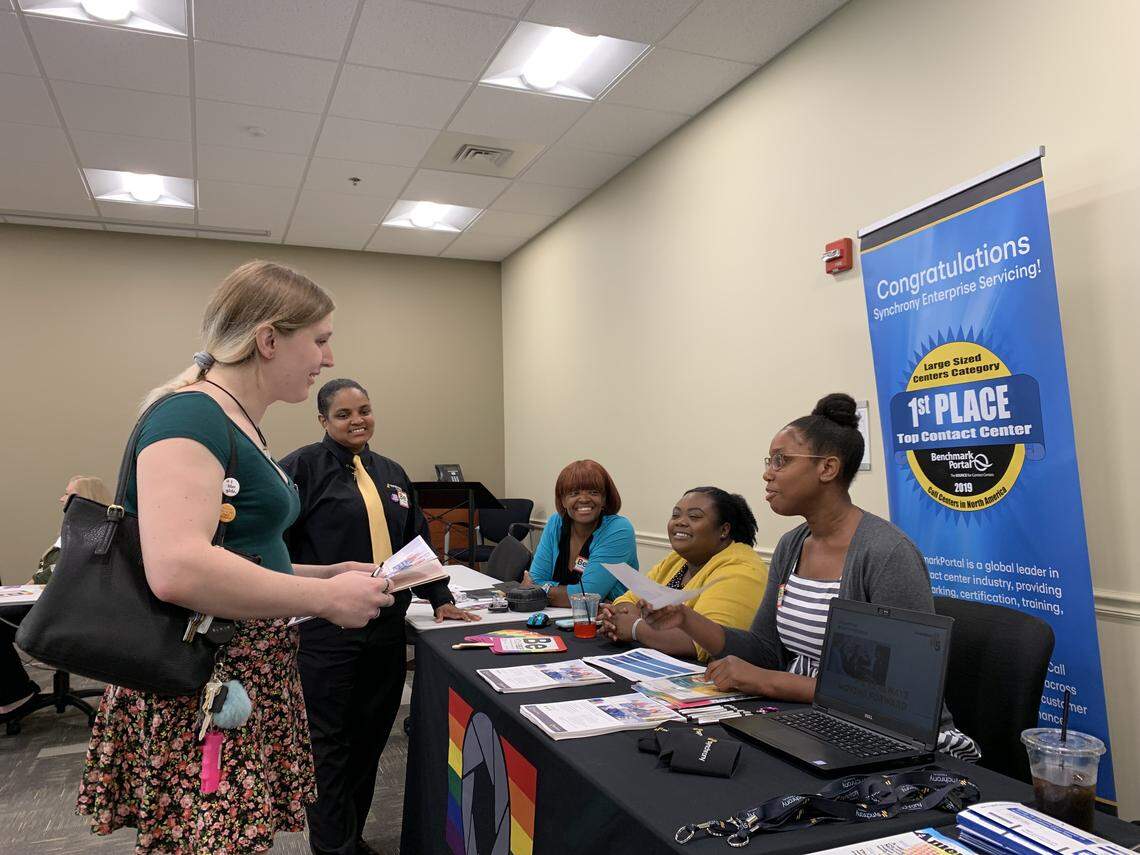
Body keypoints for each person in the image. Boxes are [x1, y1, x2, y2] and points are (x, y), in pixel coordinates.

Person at [77, 260, 397, 853]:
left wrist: (324, 572)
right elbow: (179, 569)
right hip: (202, 678)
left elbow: (236, 553)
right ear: (269, 340)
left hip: (241, 666)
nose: (327, 359)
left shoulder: (234, 420)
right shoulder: (190, 415)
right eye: (320, 340)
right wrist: (326, 598)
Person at [643, 393, 980, 760]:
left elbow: (898, 696)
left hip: (893, 739)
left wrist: (769, 681)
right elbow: (765, 649)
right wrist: (686, 618)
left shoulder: (886, 553)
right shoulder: (793, 545)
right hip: (812, 720)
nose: (767, 472)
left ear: (828, 469)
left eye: (781, 460)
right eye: (769, 461)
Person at [280, 378, 479, 855]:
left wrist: (440, 597)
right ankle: (333, 847)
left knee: (370, 739)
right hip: (325, 628)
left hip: (386, 626)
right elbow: (274, 544)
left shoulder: (390, 473)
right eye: (344, 414)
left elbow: (416, 545)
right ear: (323, 420)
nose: (357, 421)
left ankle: (353, 836)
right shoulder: (300, 469)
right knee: (328, 746)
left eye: (364, 410)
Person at [599, 487, 768, 661]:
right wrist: (620, 622)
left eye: (694, 517)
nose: (680, 522)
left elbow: (707, 642)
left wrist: (635, 628)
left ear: (724, 530)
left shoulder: (742, 568)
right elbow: (628, 600)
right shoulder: (678, 560)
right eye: (675, 515)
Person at [1, 476, 115, 721]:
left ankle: (17, 695)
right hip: (53, 608)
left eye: (67, 494)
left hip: (67, 616)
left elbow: (55, 578)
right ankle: (14, 692)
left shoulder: (90, 537)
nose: (61, 499)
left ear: (82, 500)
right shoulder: (74, 533)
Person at [523, 459, 637, 606]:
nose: (584, 499)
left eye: (593, 492)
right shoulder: (555, 523)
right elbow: (536, 578)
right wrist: (545, 590)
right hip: (556, 618)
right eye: (574, 493)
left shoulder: (619, 529)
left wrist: (537, 591)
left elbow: (588, 597)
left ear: (604, 499)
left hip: (608, 622)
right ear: (563, 501)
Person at [34, 475, 113, 584]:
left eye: (67, 494)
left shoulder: (95, 541)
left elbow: (56, 574)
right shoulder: (69, 534)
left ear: (84, 499)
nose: (61, 499)